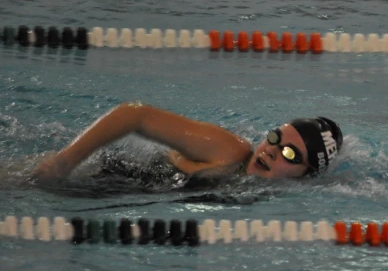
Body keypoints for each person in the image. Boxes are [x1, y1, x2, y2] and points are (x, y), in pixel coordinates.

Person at [32, 102, 343, 183]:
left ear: (307, 174)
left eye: (289, 153)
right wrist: (65, 163)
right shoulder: (230, 151)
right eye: (274, 137)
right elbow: (134, 115)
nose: (271, 151)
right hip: (96, 175)